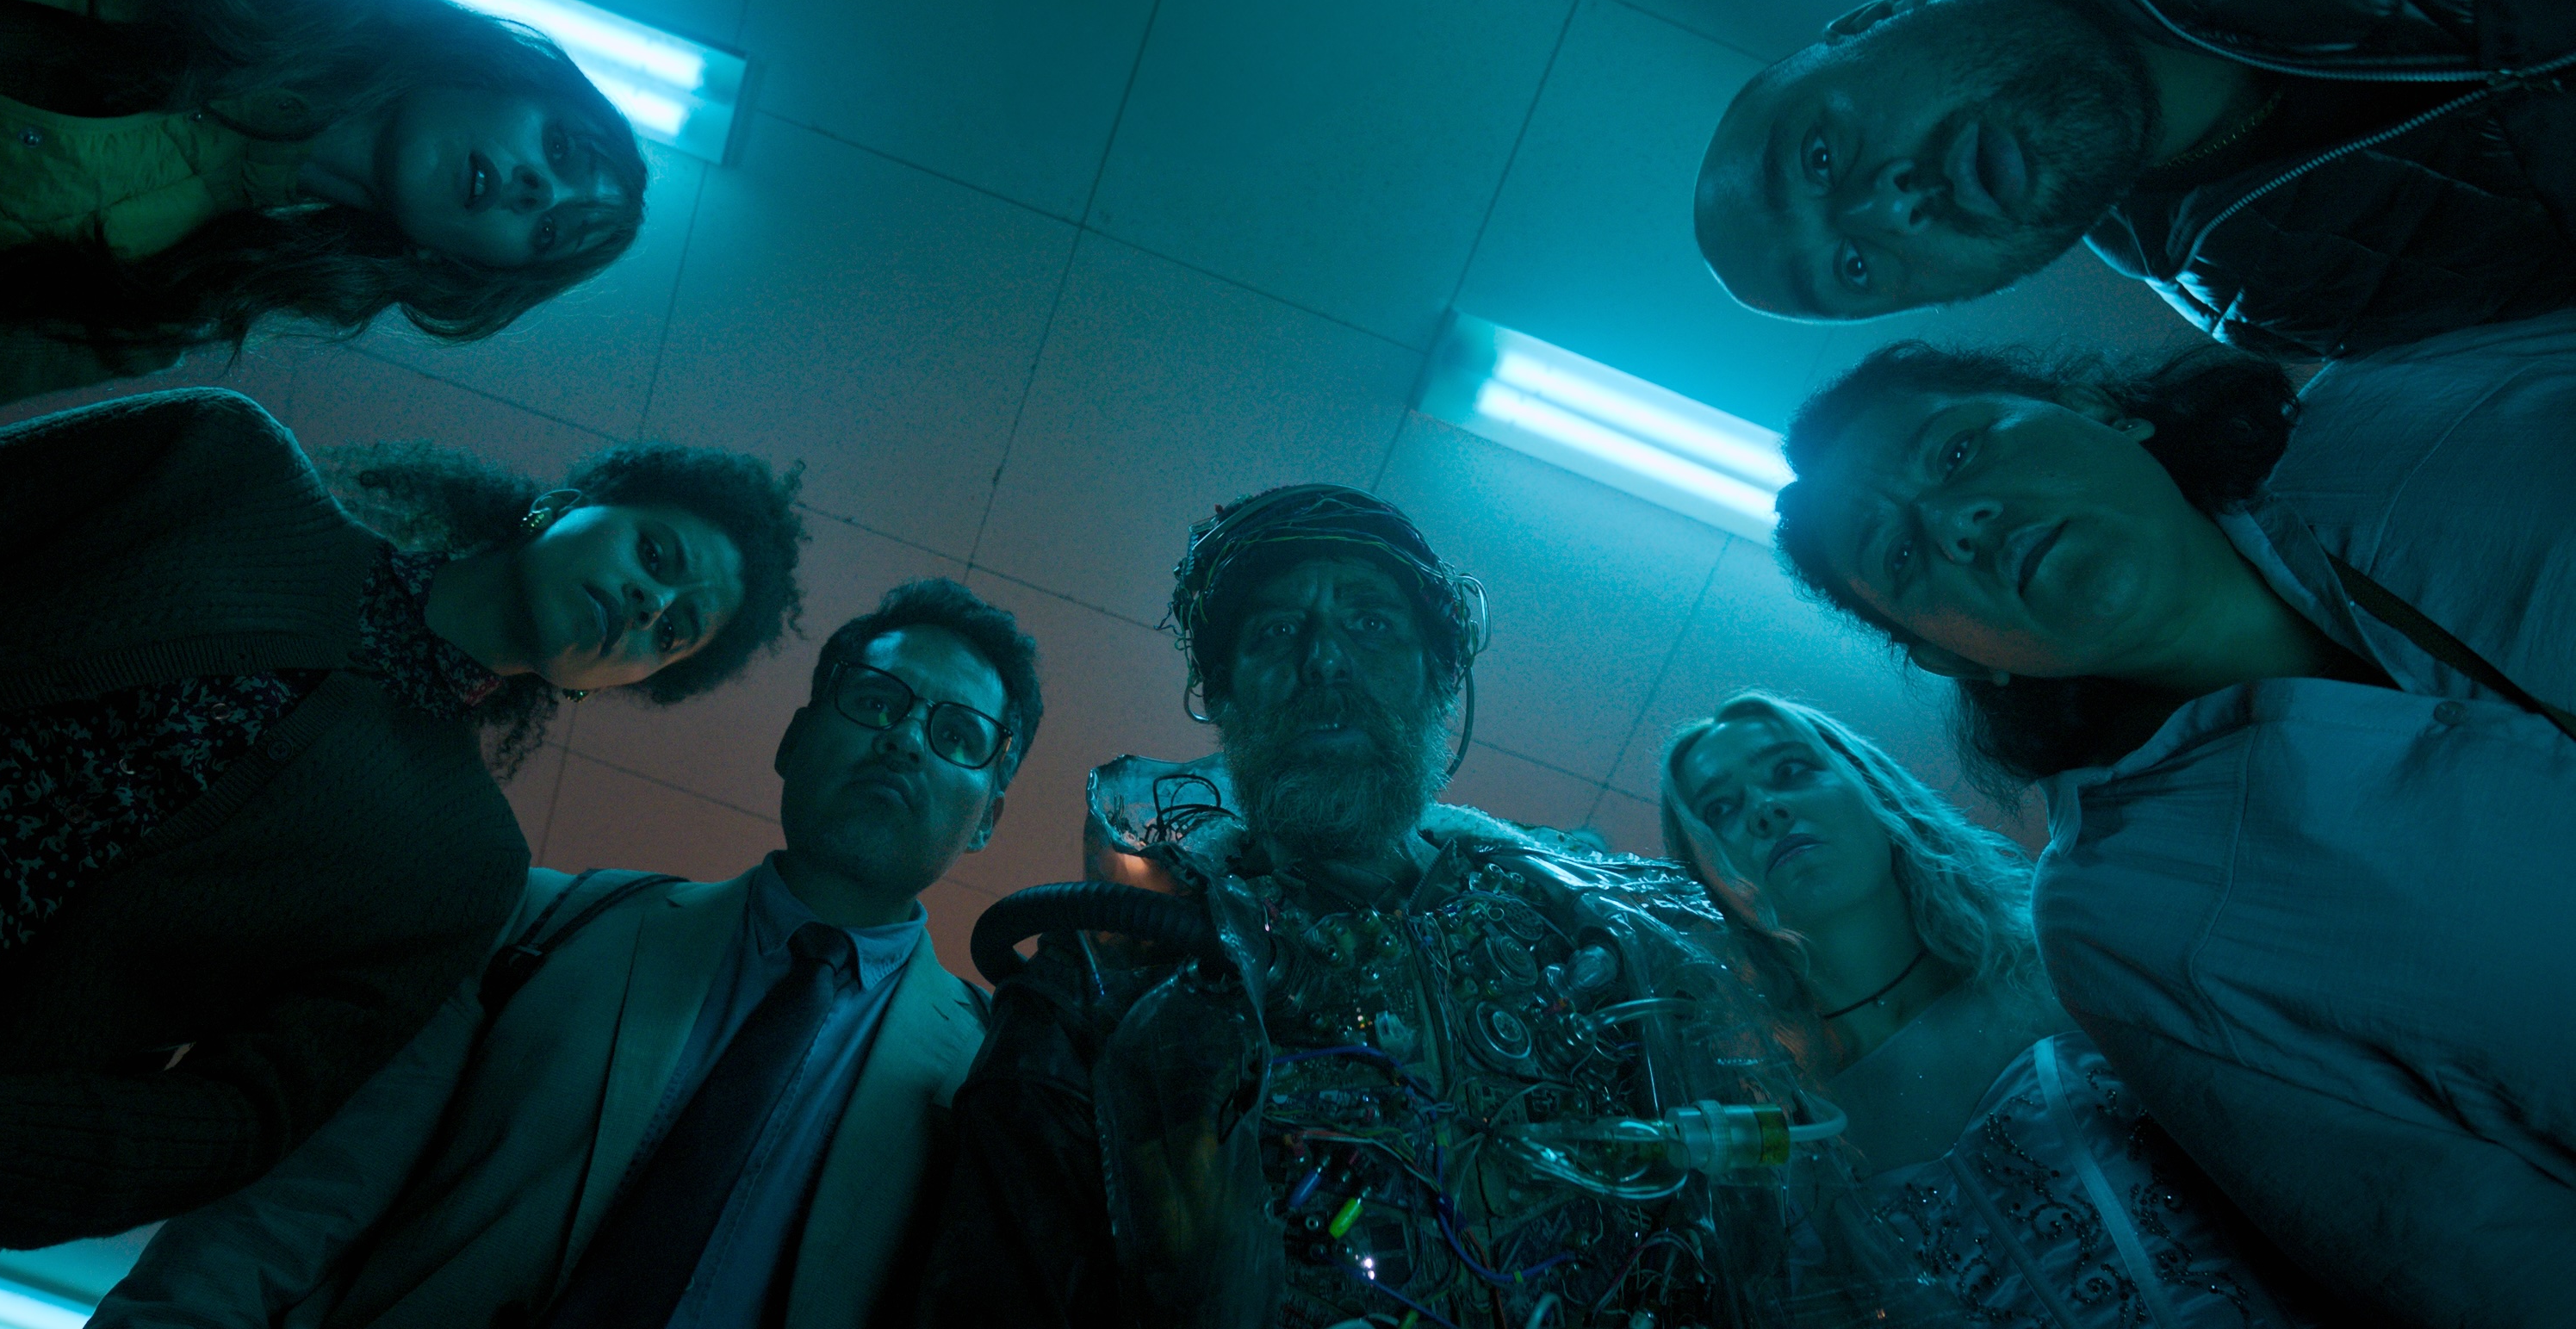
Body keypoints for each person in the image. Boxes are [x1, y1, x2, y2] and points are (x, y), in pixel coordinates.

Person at [0, 387, 803, 1327]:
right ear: (564, 503)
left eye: (672, 632)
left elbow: (240, 1117)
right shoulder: (218, 465)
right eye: (656, 553)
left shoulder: (460, 867)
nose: (648, 603)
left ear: (616, 683)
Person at [916, 485, 1905, 1329]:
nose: (1325, 662)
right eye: (1276, 633)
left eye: (1372, 624)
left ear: (1439, 678)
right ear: (1222, 697)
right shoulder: (1109, 980)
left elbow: (1793, 1254)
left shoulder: (1618, 945)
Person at [1768, 316, 2576, 1325]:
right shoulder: (2125, 912)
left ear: (2102, 410)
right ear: (1960, 657)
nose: (1956, 523)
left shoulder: (2419, 414)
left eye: (1959, 451)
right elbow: (2463, 1245)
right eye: (1899, 554)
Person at [89, 576, 1037, 1329]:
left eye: (957, 734)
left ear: (989, 816)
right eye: (875, 699)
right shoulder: (542, 921)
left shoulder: (995, 1081)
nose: (904, 740)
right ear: (793, 739)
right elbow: (296, 1204)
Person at [1658, 691, 2330, 1326]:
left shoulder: (2072, 965)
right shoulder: (1788, 1148)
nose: (1764, 809)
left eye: (1789, 769)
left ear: (1871, 790)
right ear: (1707, 887)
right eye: (1719, 808)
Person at [0, 0, 649, 433]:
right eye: (561, 148)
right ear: (498, 74)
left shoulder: (168, 307)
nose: (539, 190)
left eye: (547, 231)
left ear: (461, 263)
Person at [1690, 0, 2576, 361]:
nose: (1884, 208)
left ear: (1872, 18)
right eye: (1853, 267)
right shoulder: (2276, 305)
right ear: (1951, 296)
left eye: (1818, 158)